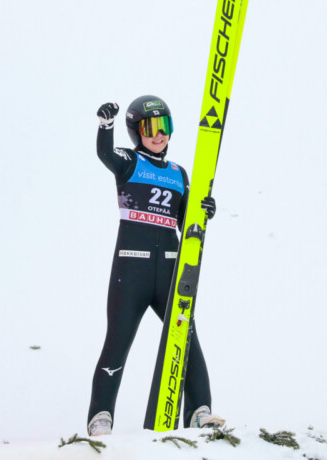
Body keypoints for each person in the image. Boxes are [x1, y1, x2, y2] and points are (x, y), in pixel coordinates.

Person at [87, 96, 224, 436]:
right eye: (151, 128)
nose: (159, 135)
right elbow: (105, 154)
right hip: (130, 271)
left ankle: (199, 412)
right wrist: (106, 127)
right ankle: (101, 417)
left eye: (165, 127)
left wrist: (204, 210)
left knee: (187, 338)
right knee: (117, 341)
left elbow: (186, 221)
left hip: (170, 273)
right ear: (136, 132)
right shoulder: (129, 163)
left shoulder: (179, 173)